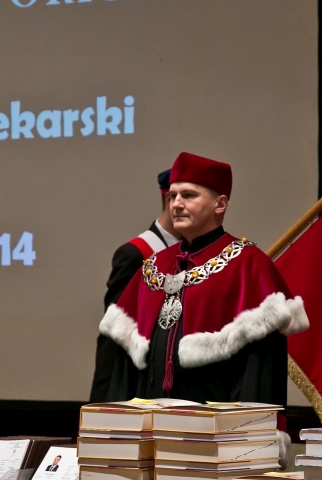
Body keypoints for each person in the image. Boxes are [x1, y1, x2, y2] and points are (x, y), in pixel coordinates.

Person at [100, 151, 308, 419]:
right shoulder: (154, 266)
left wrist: (245, 431)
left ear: (220, 204)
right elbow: (124, 366)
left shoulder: (248, 264)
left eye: (188, 195)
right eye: (172, 196)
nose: (176, 204)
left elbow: (259, 372)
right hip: (150, 424)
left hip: (215, 426)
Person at [90, 169, 181, 402]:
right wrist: (102, 405)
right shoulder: (136, 254)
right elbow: (114, 336)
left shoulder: (197, 255)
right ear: (170, 200)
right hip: (142, 388)